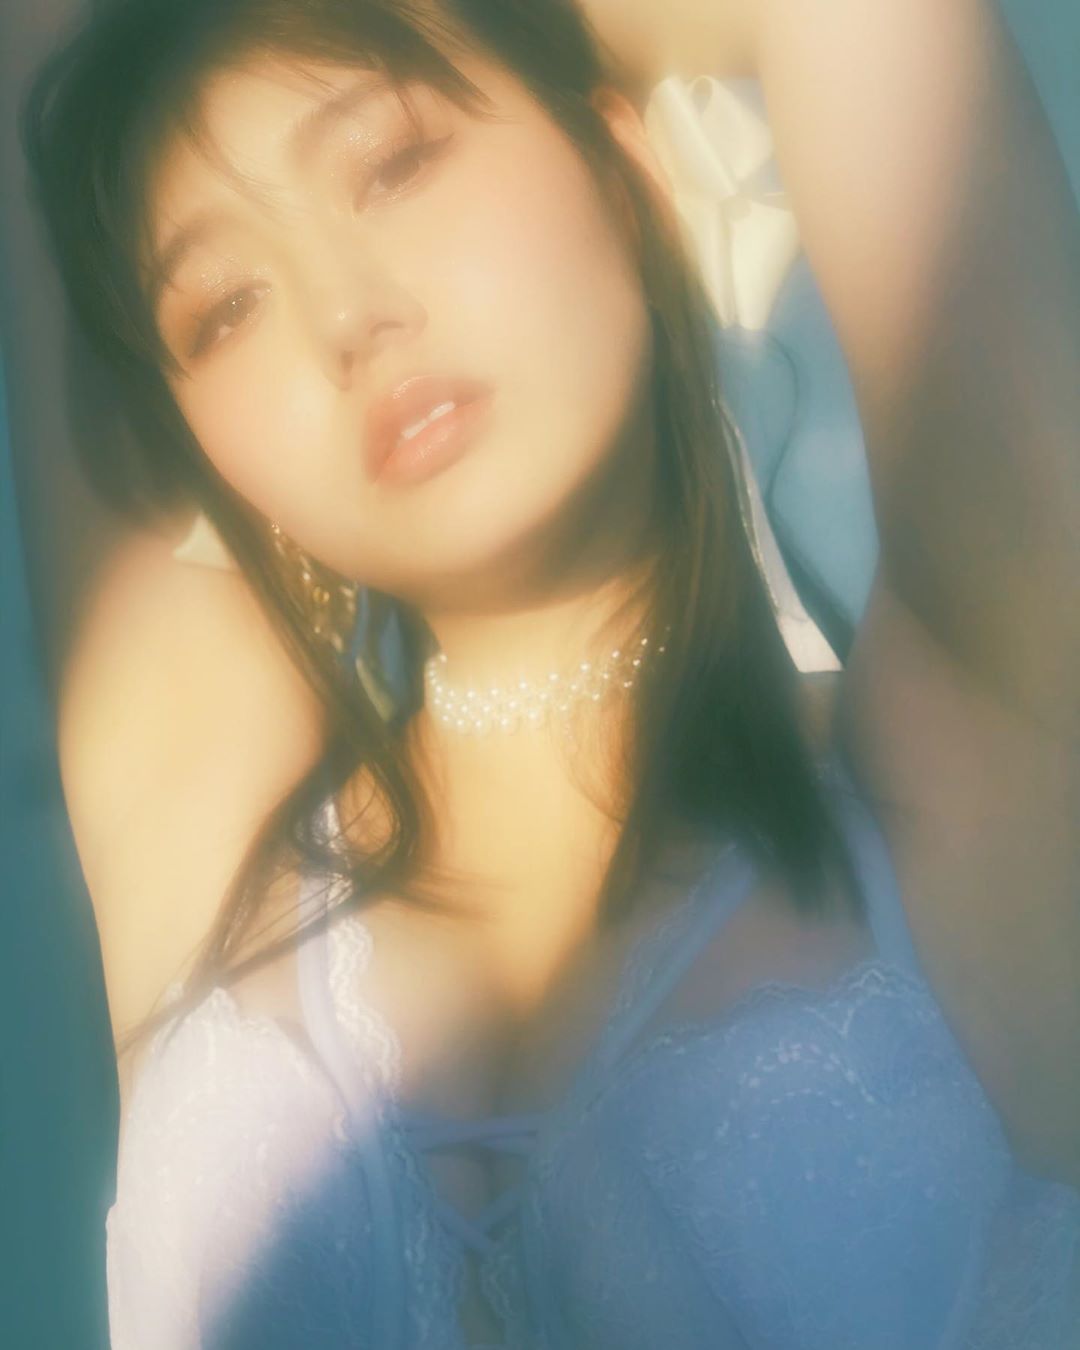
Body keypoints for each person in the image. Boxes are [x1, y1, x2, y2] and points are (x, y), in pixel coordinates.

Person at [19, 0, 1080, 1345]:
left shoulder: (980, 742)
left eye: (395, 161)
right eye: (224, 304)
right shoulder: (204, 830)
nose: (344, 315)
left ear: (627, 167)